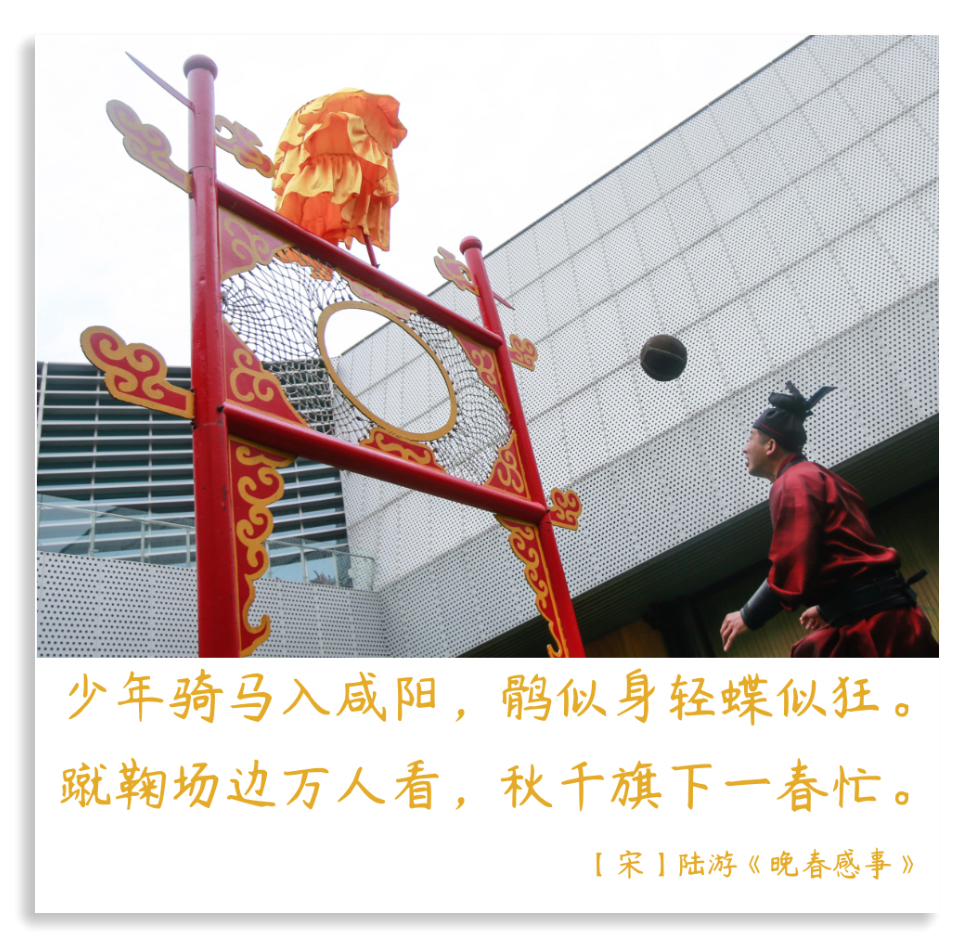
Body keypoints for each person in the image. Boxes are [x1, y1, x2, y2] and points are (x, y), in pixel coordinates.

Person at [719, 382, 938, 658]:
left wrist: (748, 614)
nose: (744, 448)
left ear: (771, 445)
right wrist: (828, 607)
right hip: (889, 617)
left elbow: (794, 560)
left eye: (750, 438)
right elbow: (842, 553)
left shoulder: (793, 482)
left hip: (877, 627)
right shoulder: (817, 474)